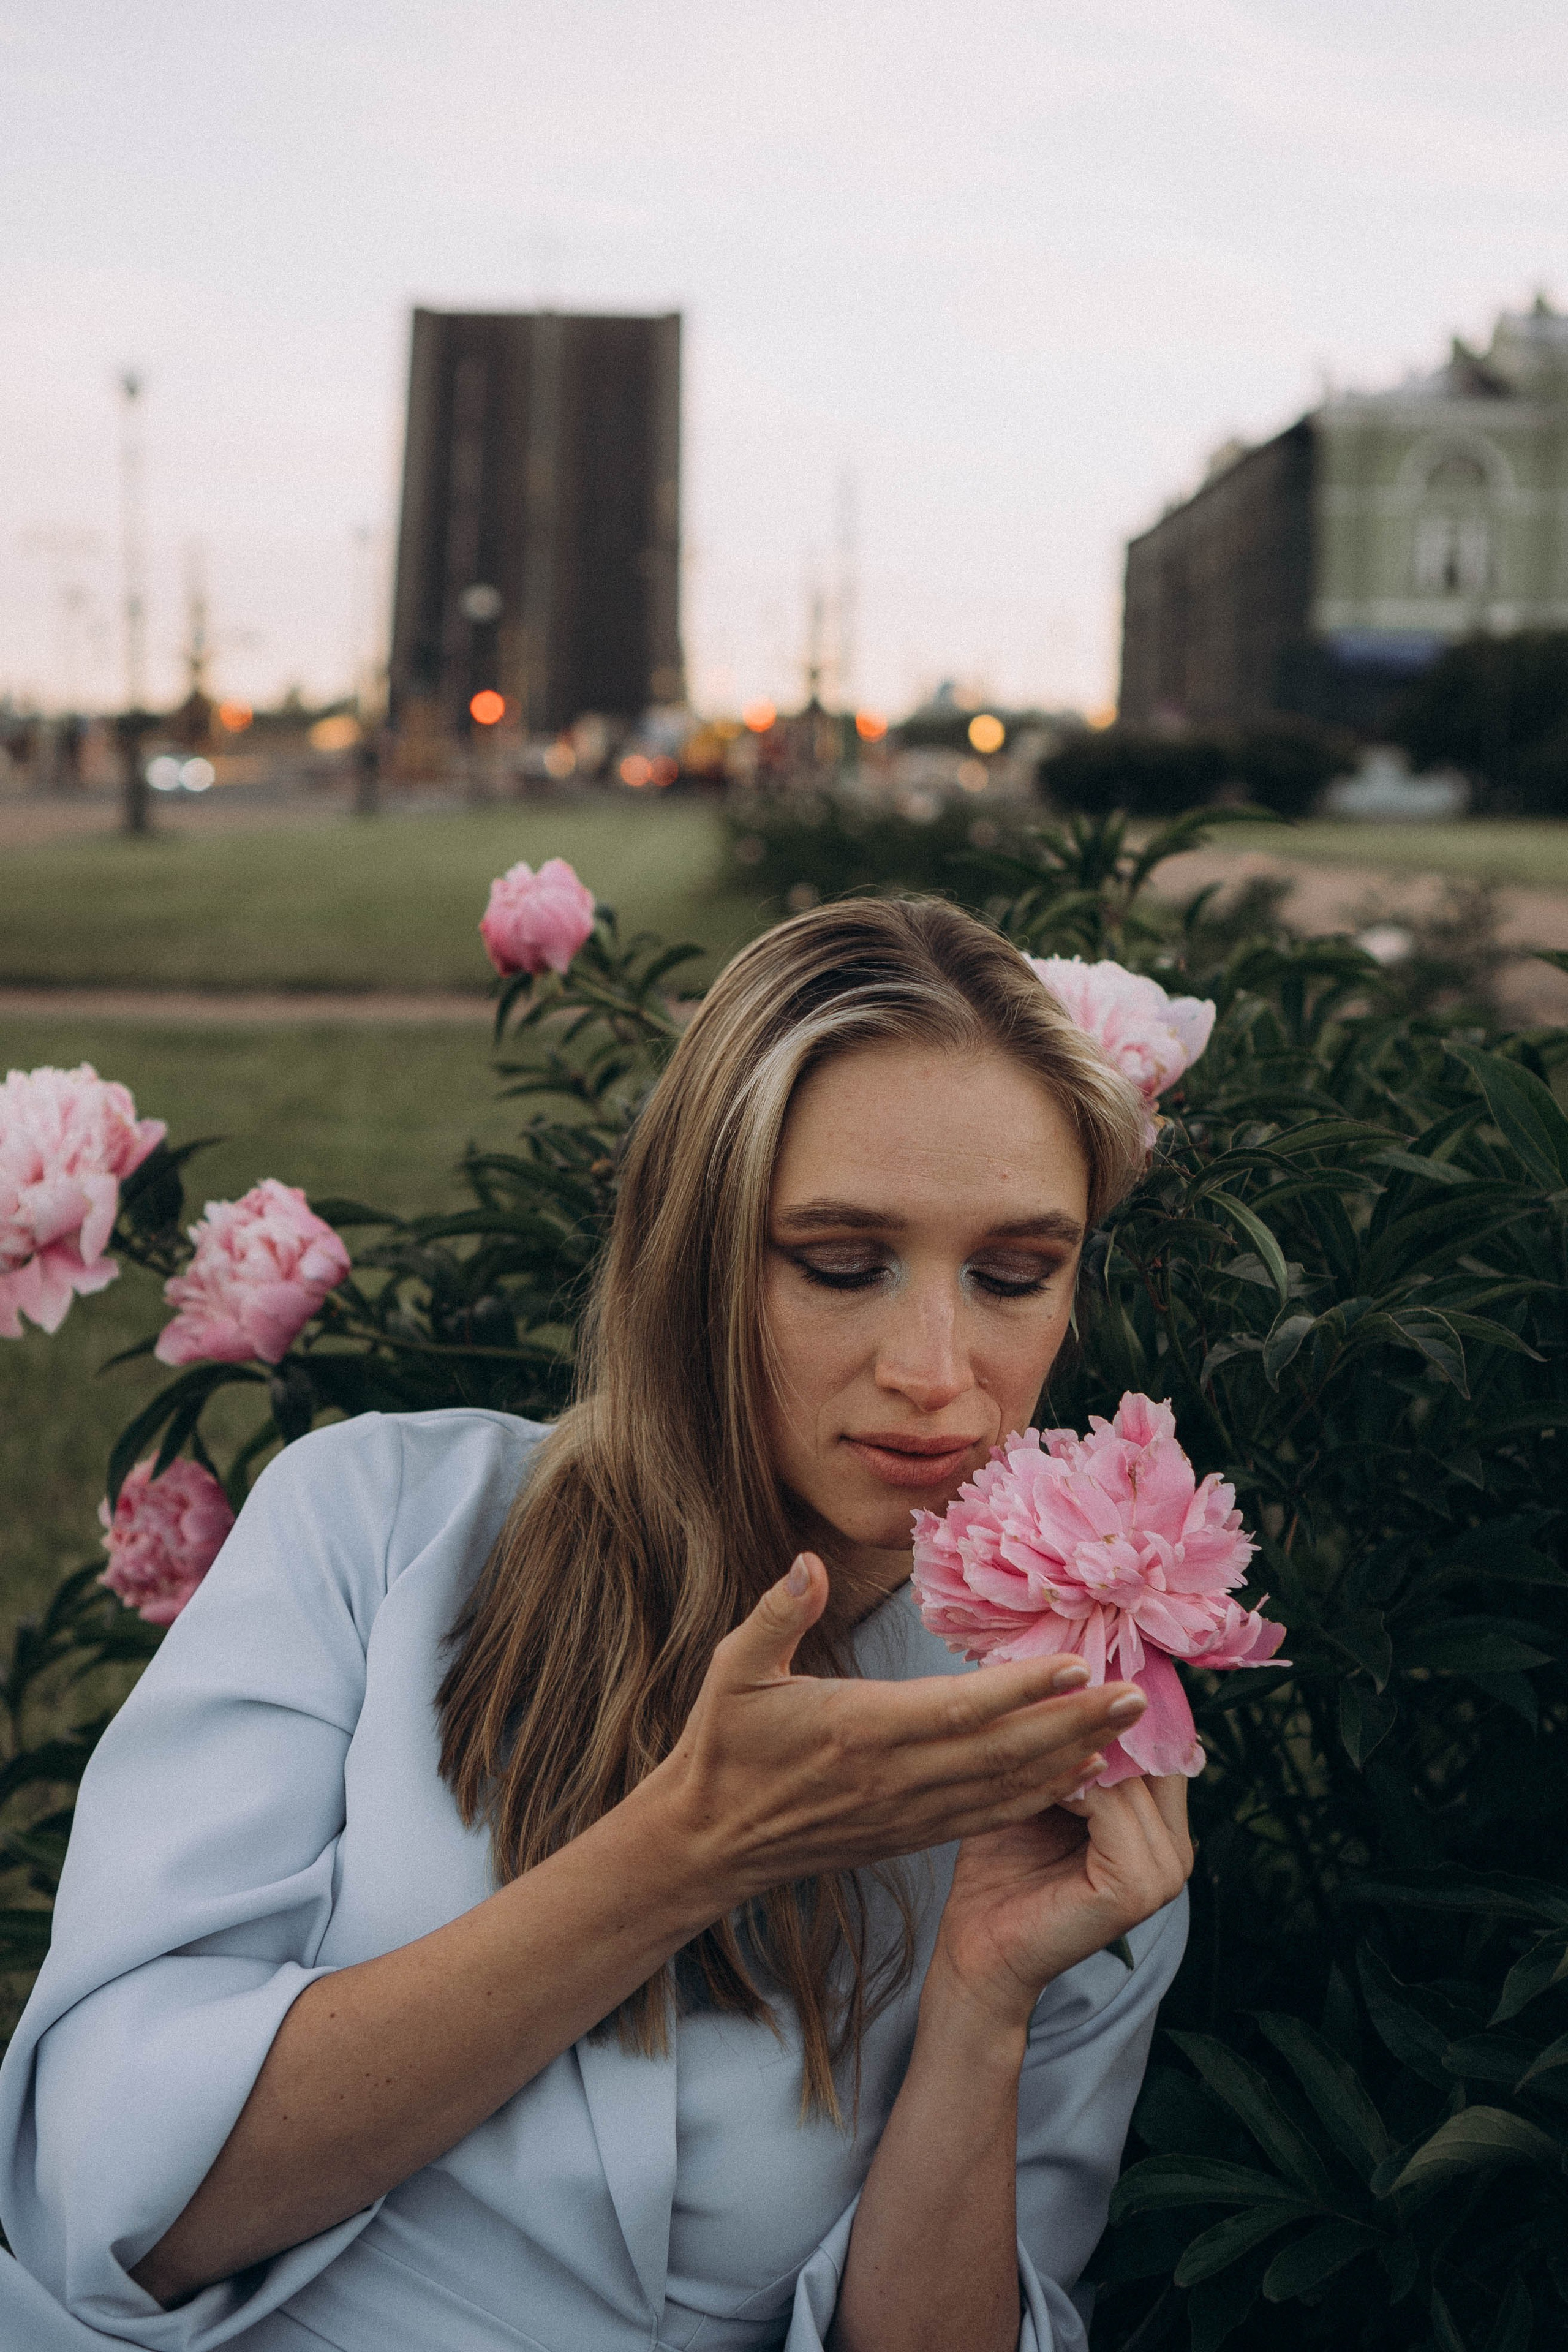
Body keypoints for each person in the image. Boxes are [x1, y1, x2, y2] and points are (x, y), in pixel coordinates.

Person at [0, 897, 1193, 2352]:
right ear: (692, 1251)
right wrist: (680, 1856)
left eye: (1013, 1277)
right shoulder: (375, 1526)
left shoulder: (1061, 1747)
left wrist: (981, 2002)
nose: (935, 1370)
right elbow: (109, 2211)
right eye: (836, 1262)